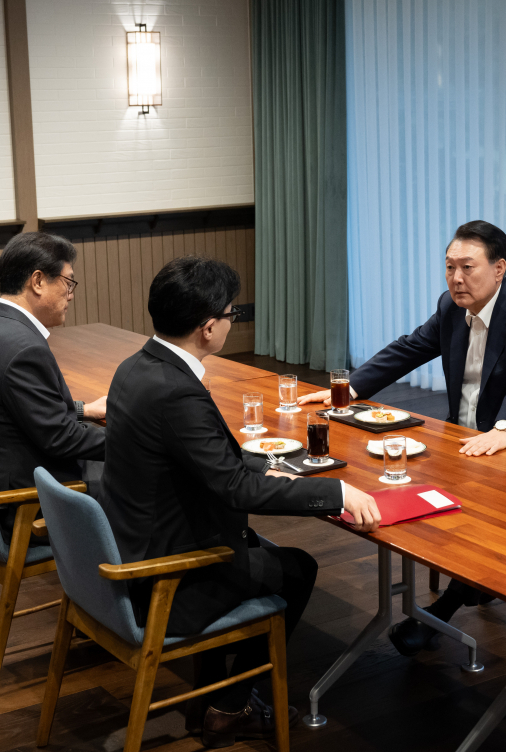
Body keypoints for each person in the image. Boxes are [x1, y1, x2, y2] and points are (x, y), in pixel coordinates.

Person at [99, 255, 381, 748]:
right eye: (232, 314)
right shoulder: (176, 391)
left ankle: (210, 696)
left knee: (255, 544)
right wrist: (335, 491)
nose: (233, 321)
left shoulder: (136, 366)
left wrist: (257, 465)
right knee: (295, 568)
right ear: (209, 327)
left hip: (137, 540)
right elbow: (235, 490)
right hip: (167, 575)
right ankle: (230, 709)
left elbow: (199, 461)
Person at [298, 220, 506, 657]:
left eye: (467, 267)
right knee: (415, 490)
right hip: (467, 438)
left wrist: (504, 430)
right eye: (449, 267)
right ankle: (477, 581)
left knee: (487, 514)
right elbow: (410, 347)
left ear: (499, 268)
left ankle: (445, 607)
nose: (456, 278)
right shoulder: (451, 307)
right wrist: (350, 388)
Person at [0, 231, 107, 538]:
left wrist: (82, 410)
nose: (71, 293)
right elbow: (61, 439)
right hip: (25, 504)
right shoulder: (23, 347)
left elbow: (11, 411)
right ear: (37, 281)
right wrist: (139, 440)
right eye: (68, 282)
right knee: (147, 474)